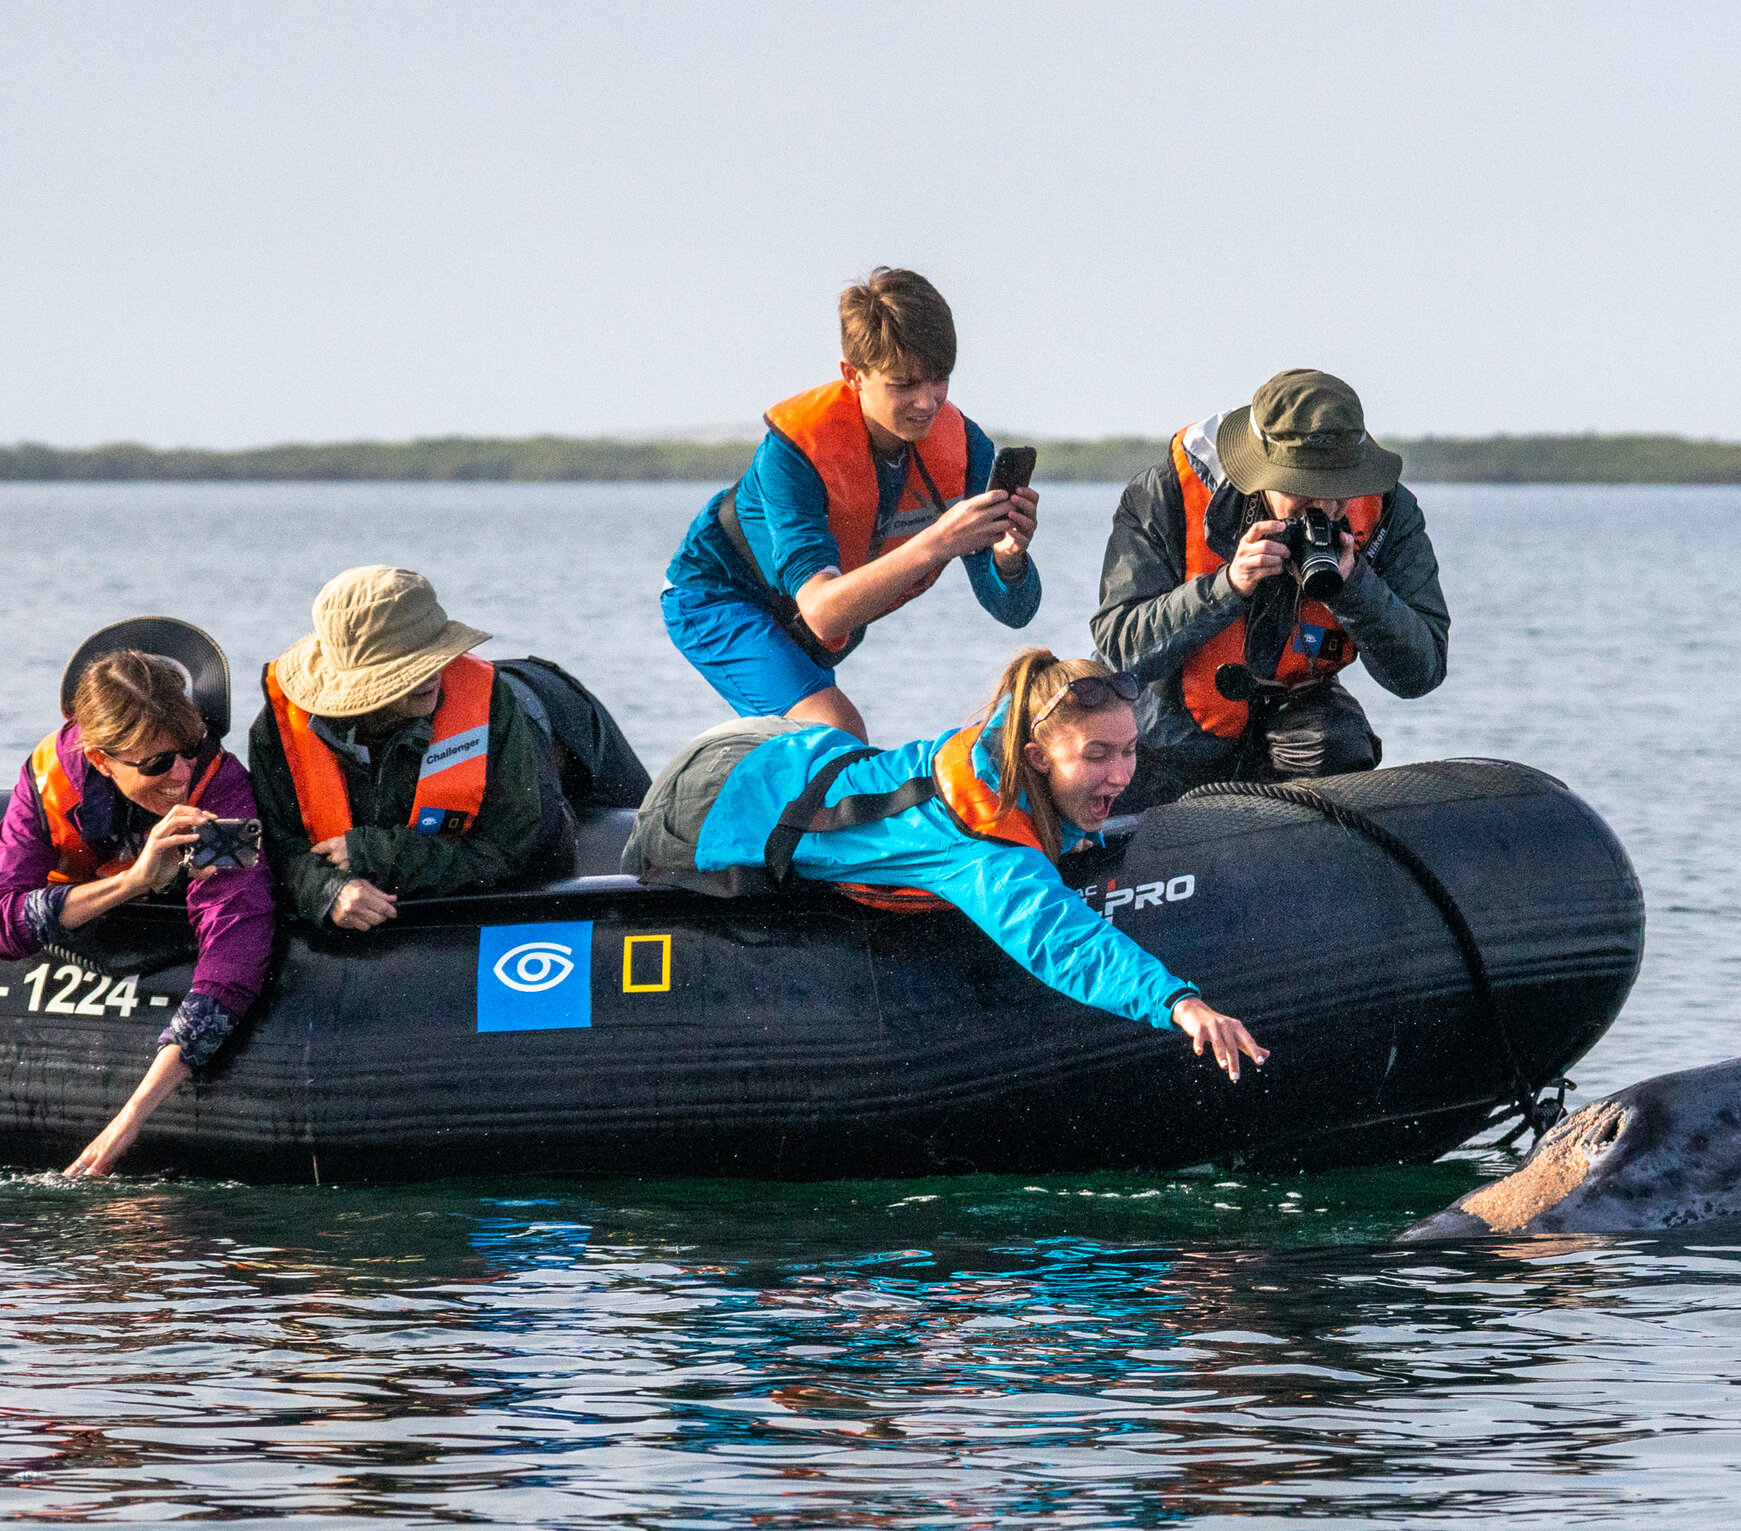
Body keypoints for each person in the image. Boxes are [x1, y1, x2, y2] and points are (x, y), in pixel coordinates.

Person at [621, 648, 1269, 1079]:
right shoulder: (980, 841)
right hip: (712, 794)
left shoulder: (1004, 749)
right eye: (1099, 755)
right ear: (1039, 757)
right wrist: (1179, 1003)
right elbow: (1063, 943)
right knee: (631, 851)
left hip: (783, 749)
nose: (1122, 774)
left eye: (1129, 751)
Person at [658, 267, 1042, 741]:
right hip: (717, 597)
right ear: (853, 375)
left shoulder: (963, 445)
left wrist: (1009, 561)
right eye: (903, 384)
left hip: (814, 625)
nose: (928, 402)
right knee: (837, 730)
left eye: (939, 379)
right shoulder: (793, 453)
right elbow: (823, 610)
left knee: (825, 740)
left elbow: (1015, 612)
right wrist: (939, 542)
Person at [0, 645, 276, 1178]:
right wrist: (133, 883)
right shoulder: (48, 778)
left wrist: (134, 1113)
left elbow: (236, 952)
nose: (180, 773)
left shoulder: (218, 788)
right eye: (157, 763)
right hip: (92, 908)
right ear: (99, 760)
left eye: (188, 747)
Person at [1090, 369, 1451, 811]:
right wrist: (1227, 587)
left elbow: (1421, 673)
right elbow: (1117, 649)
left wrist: (1356, 588)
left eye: (1340, 489)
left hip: (1295, 733)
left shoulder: (1390, 513)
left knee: (1337, 738)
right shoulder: (1165, 493)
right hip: (1164, 739)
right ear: (1259, 473)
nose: (1328, 506)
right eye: (1308, 489)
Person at [251, 566, 575, 931]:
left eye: (436, 655)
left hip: (470, 921)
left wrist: (374, 854)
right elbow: (274, 847)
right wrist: (327, 891)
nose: (432, 675)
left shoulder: (492, 703)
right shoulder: (279, 727)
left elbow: (514, 850)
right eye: (409, 666)